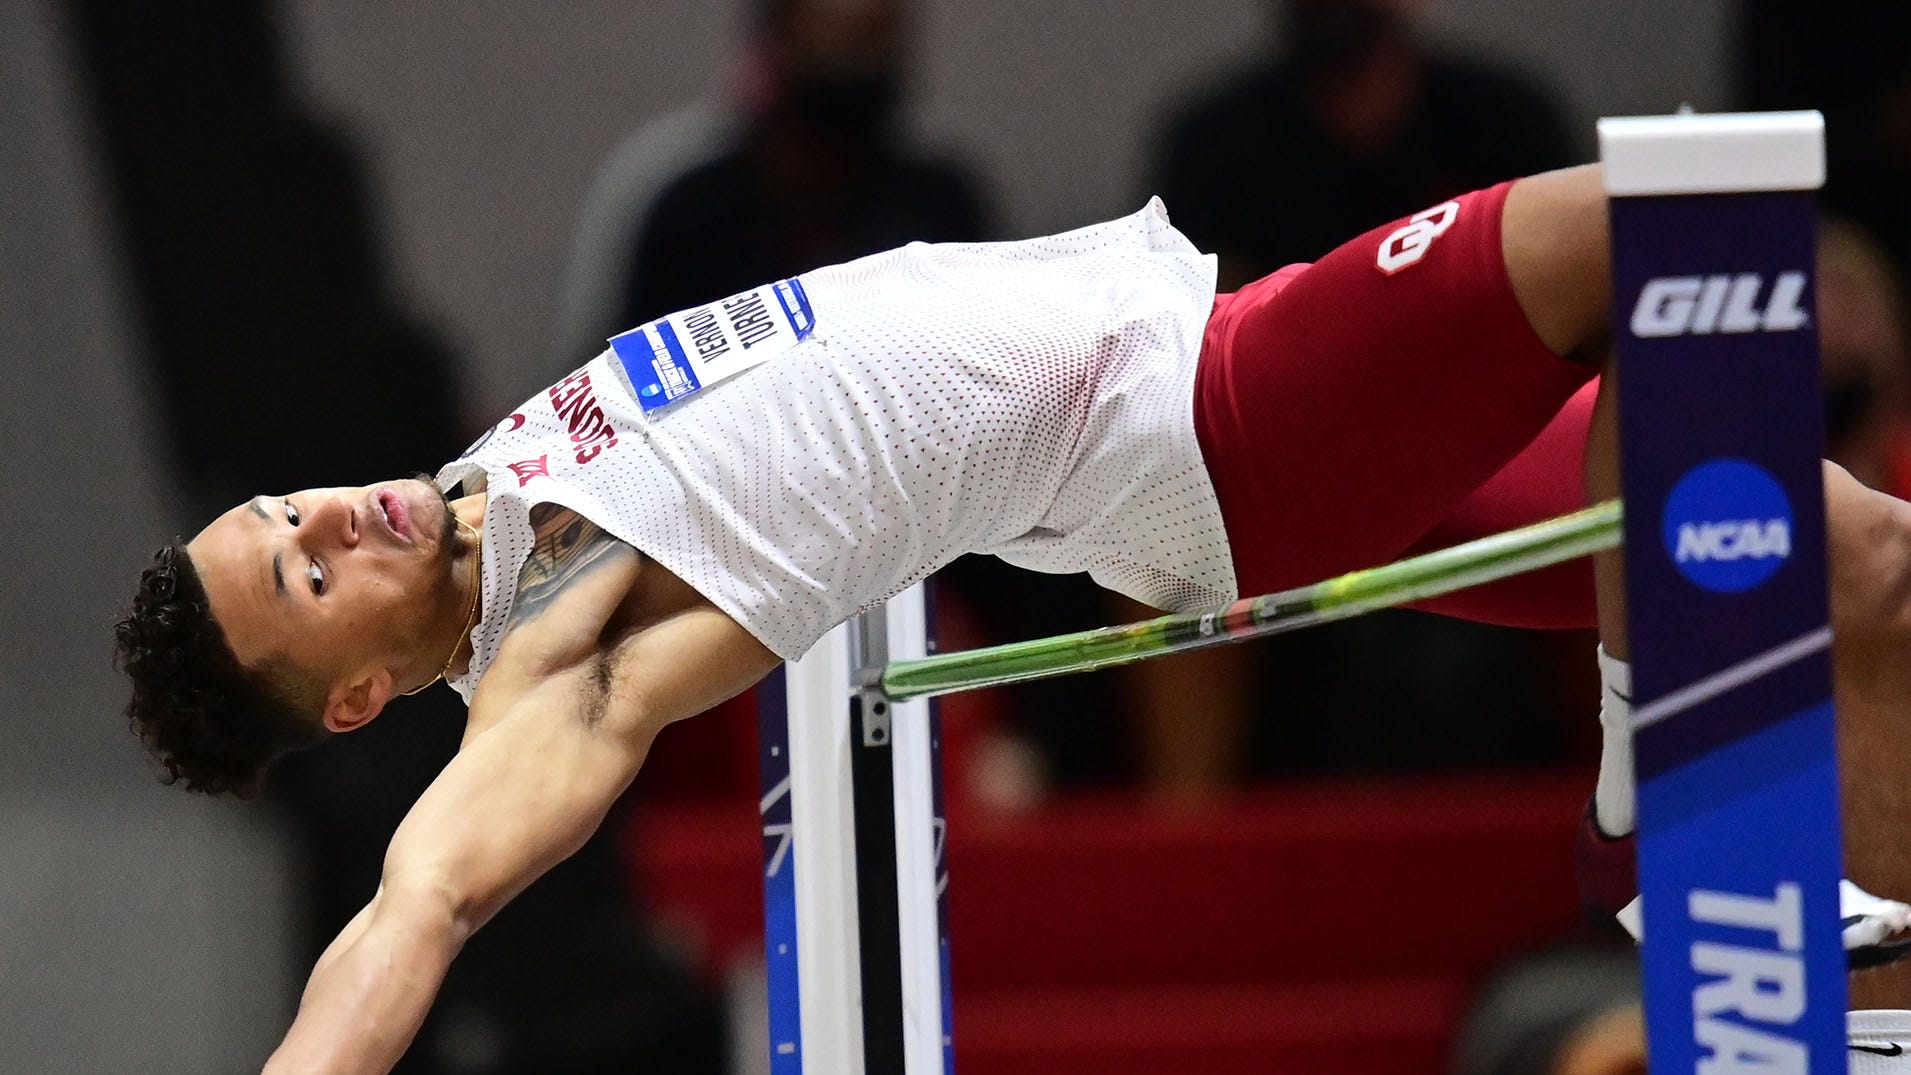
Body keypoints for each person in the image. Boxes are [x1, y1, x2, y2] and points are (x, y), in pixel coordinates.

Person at [113, 164, 1911, 1072]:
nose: (324, 516)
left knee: (1865, 578)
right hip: (1236, 421)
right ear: (355, 695)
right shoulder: (551, 659)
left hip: (1209, 363)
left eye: (283, 512)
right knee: (1682, 215)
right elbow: (415, 905)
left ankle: (1881, 1006)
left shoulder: (490, 488)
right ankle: (1656, 760)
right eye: (306, 574)